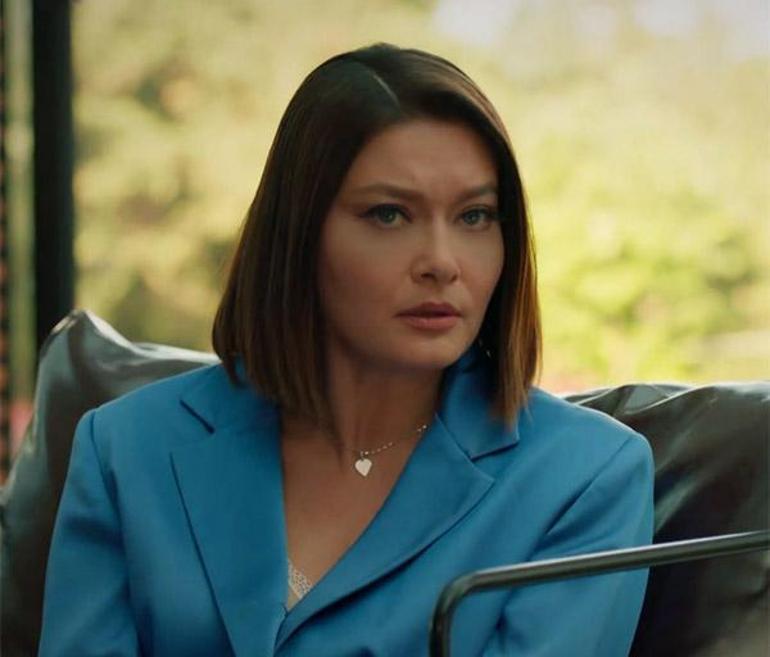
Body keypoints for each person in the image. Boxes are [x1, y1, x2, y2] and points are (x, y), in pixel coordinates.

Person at [38, 43, 654, 656]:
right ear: (298, 233)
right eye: (389, 214)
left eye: (474, 216)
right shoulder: (125, 449)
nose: (441, 262)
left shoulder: (586, 479)